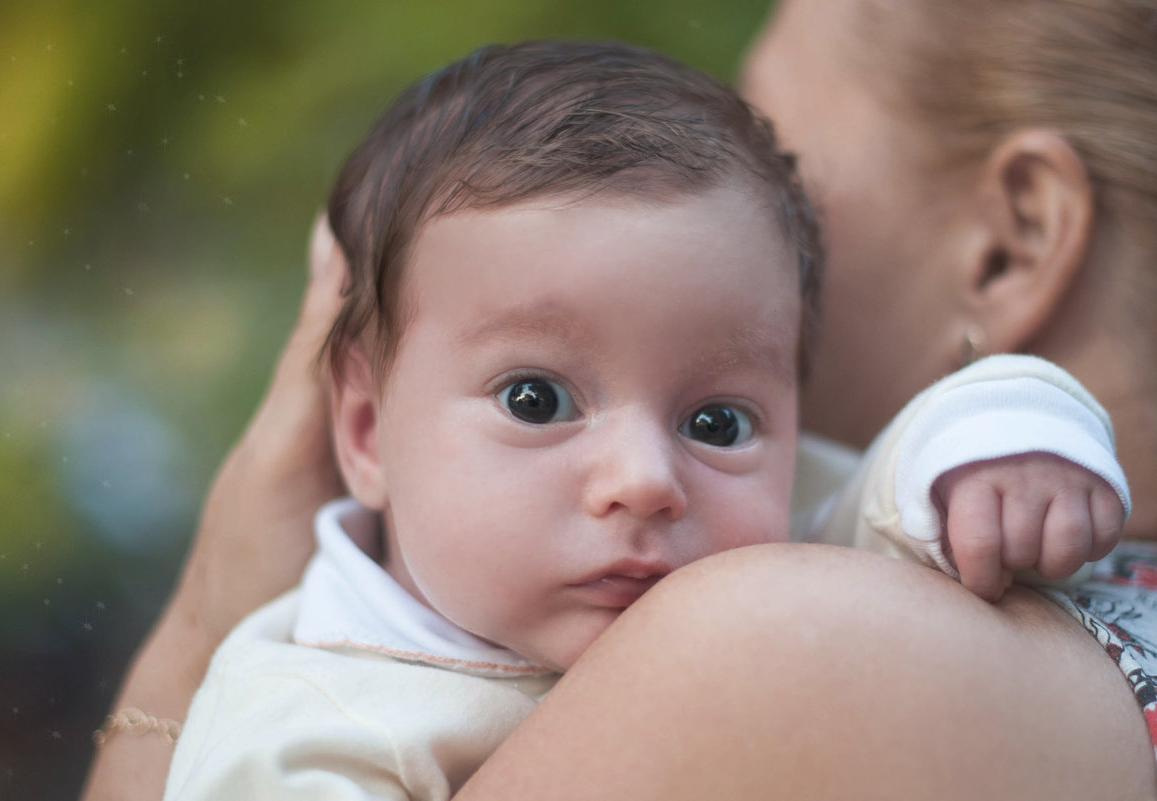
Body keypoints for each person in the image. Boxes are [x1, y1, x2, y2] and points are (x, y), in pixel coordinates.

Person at [80, 0, 1157, 799]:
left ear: (1012, 243)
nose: (643, 481)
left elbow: (906, 468)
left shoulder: (769, 627)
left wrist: (1009, 429)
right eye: (537, 398)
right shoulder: (312, 716)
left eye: (714, 422)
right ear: (365, 429)